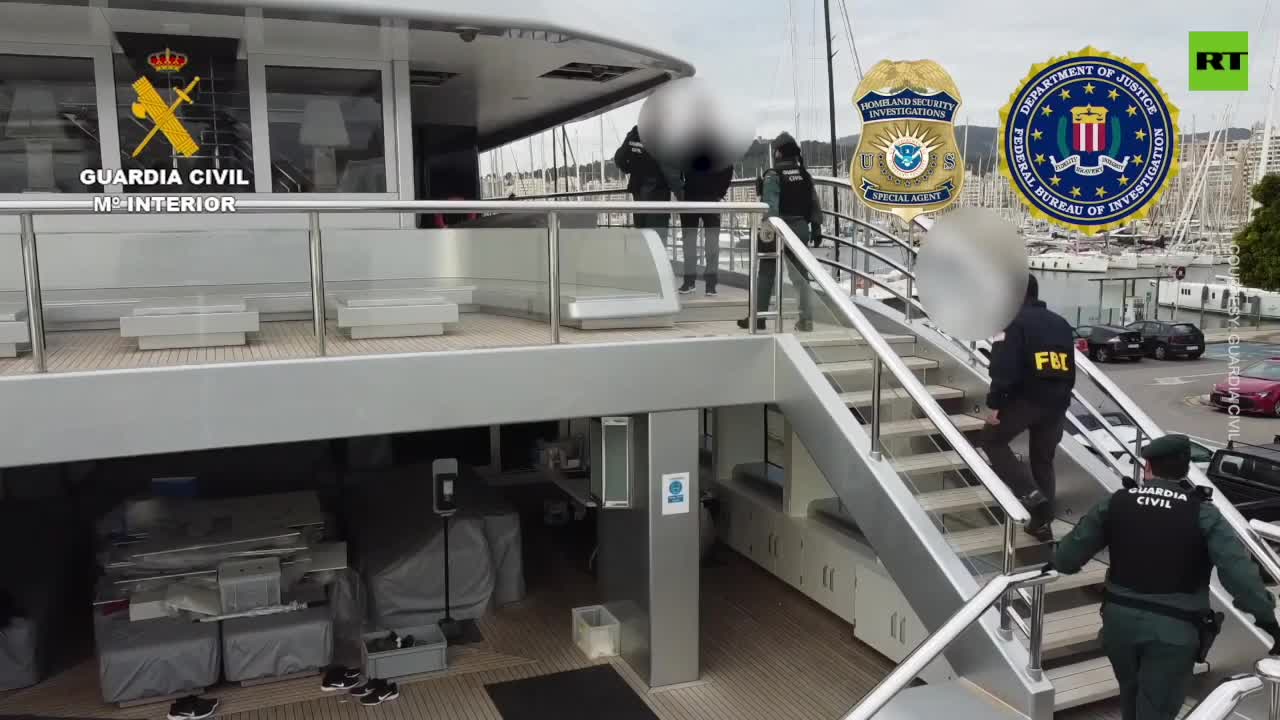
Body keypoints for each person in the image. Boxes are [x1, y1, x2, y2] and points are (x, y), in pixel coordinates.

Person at [1051, 434, 1280, 720]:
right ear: (1185, 469)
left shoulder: (1117, 502)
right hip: (1173, 633)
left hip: (1119, 625)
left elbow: (1066, 560)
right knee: (1156, 711)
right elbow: (1240, 578)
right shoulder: (1203, 513)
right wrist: (1268, 621)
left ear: (1148, 466)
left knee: (1130, 697)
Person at [980, 274, 1075, 541]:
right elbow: (1069, 366)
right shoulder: (1061, 323)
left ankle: (1031, 496)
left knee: (991, 440)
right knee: (1043, 460)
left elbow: (1003, 367)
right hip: (1058, 402)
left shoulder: (1012, 322)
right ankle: (1043, 524)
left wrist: (995, 403)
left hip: (1025, 399)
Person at [737, 132, 822, 332]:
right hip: (801, 228)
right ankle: (806, 320)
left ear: (778, 153)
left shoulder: (773, 175)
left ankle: (758, 318)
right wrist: (816, 227)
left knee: (766, 273)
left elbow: (771, 206)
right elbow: (814, 203)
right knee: (800, 276)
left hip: (778, 227)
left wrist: (768, 230)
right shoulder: (804, 175)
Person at [613, 125, 676, 243]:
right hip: (658, 194)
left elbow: (619, 158)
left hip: (639, 192)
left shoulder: (635, 133)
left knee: (642, 238)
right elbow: (671, 167)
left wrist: (632, 168)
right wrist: (680, 191)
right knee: (657, 240)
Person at [678, 164, 733, 296]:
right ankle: (706, 284)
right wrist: (720, 192)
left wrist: (719, 192)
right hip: (701, 198)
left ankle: (697, 283)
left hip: (695, 196)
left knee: (699, 242)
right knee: (699, 242)